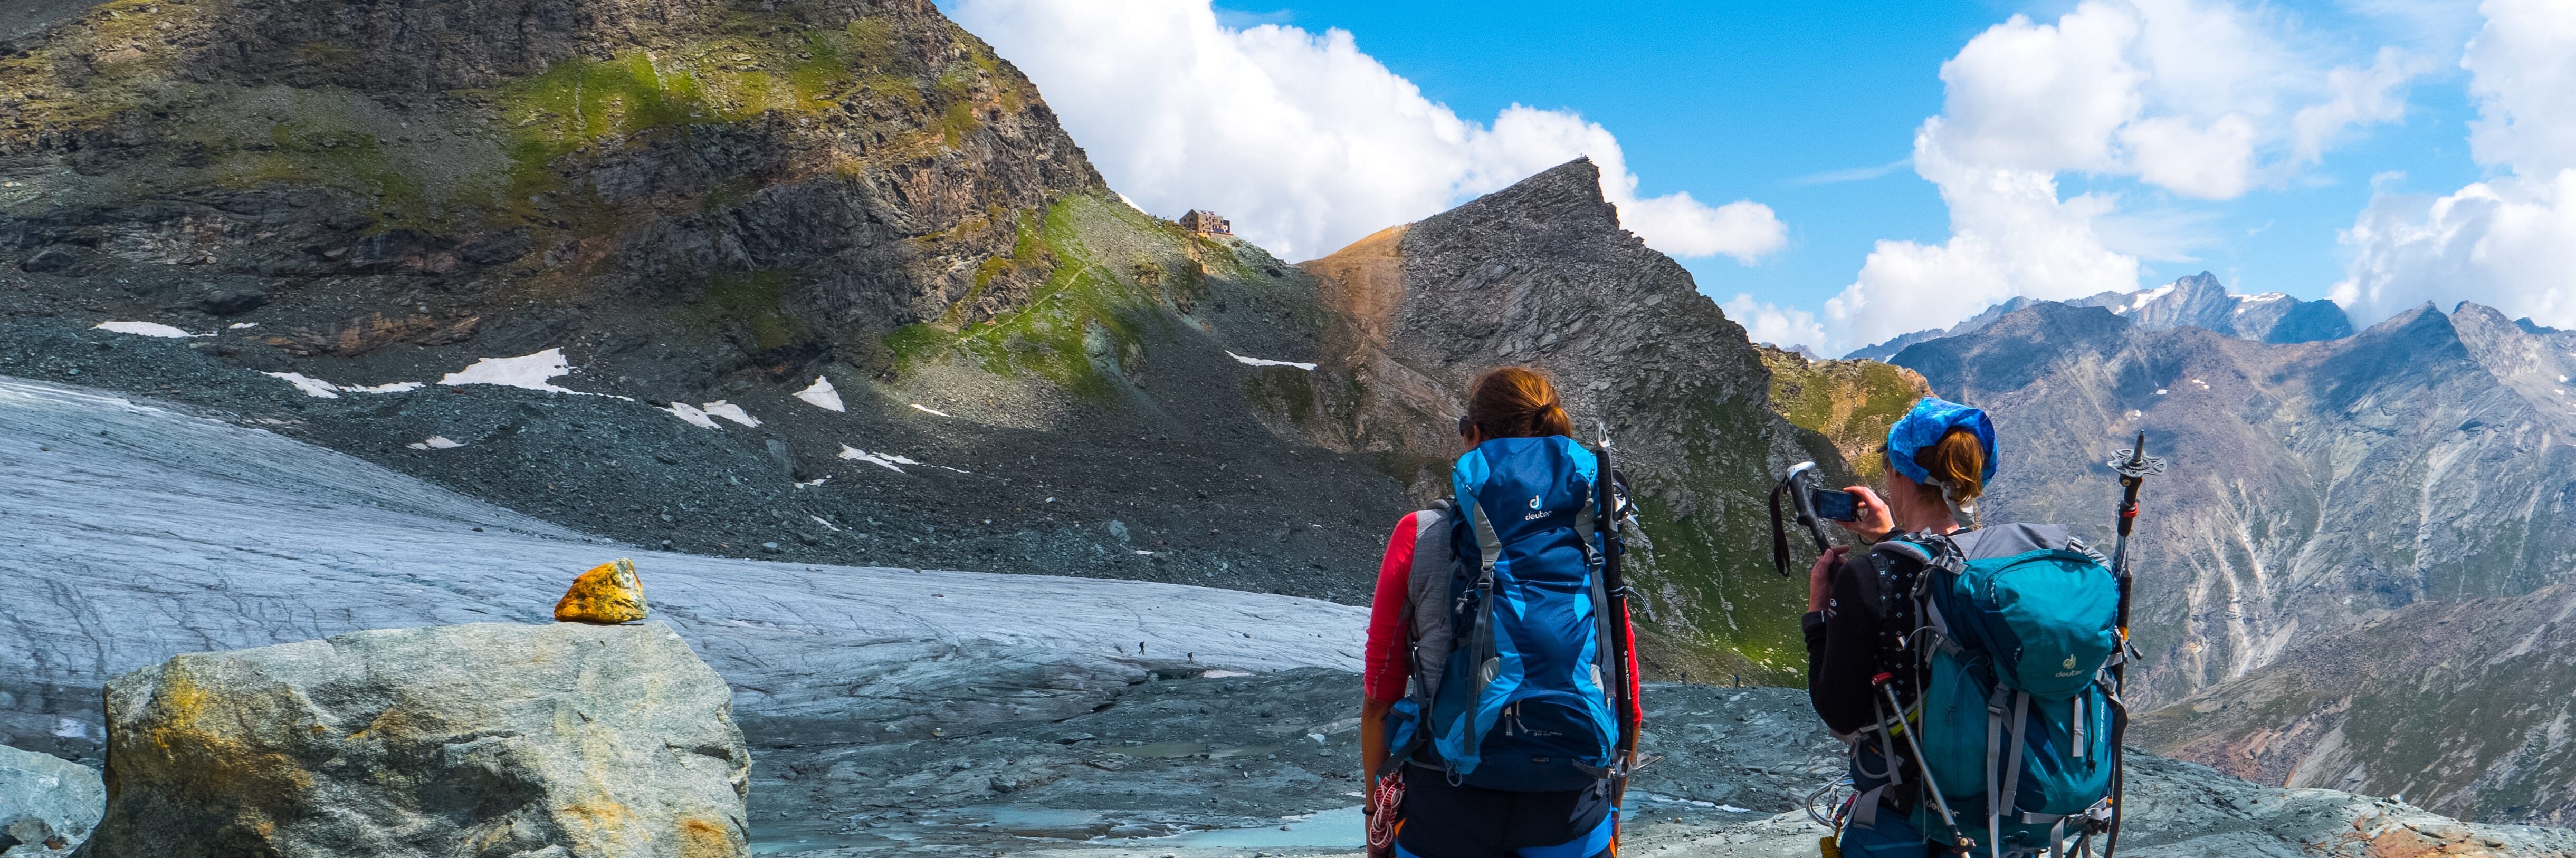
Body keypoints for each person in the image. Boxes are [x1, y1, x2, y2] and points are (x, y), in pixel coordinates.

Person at [1802, 397, 2113, 857]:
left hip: (1908, 821)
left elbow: (1839, 711)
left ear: (1900, 474)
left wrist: (1818, 615)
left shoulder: (1870, 576)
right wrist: (1893, 538)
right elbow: (1942, 575)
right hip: (2016, 819)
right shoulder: (2005, 562)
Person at [1359, 367, 1644, 858]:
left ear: (1473, 433)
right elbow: (1626, 693)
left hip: (1445, 805)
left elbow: (1381, 694)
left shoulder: (1421, 532)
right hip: (1572, 810)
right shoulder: (1588, 532)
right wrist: (1609, 816)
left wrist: (1375, 819)